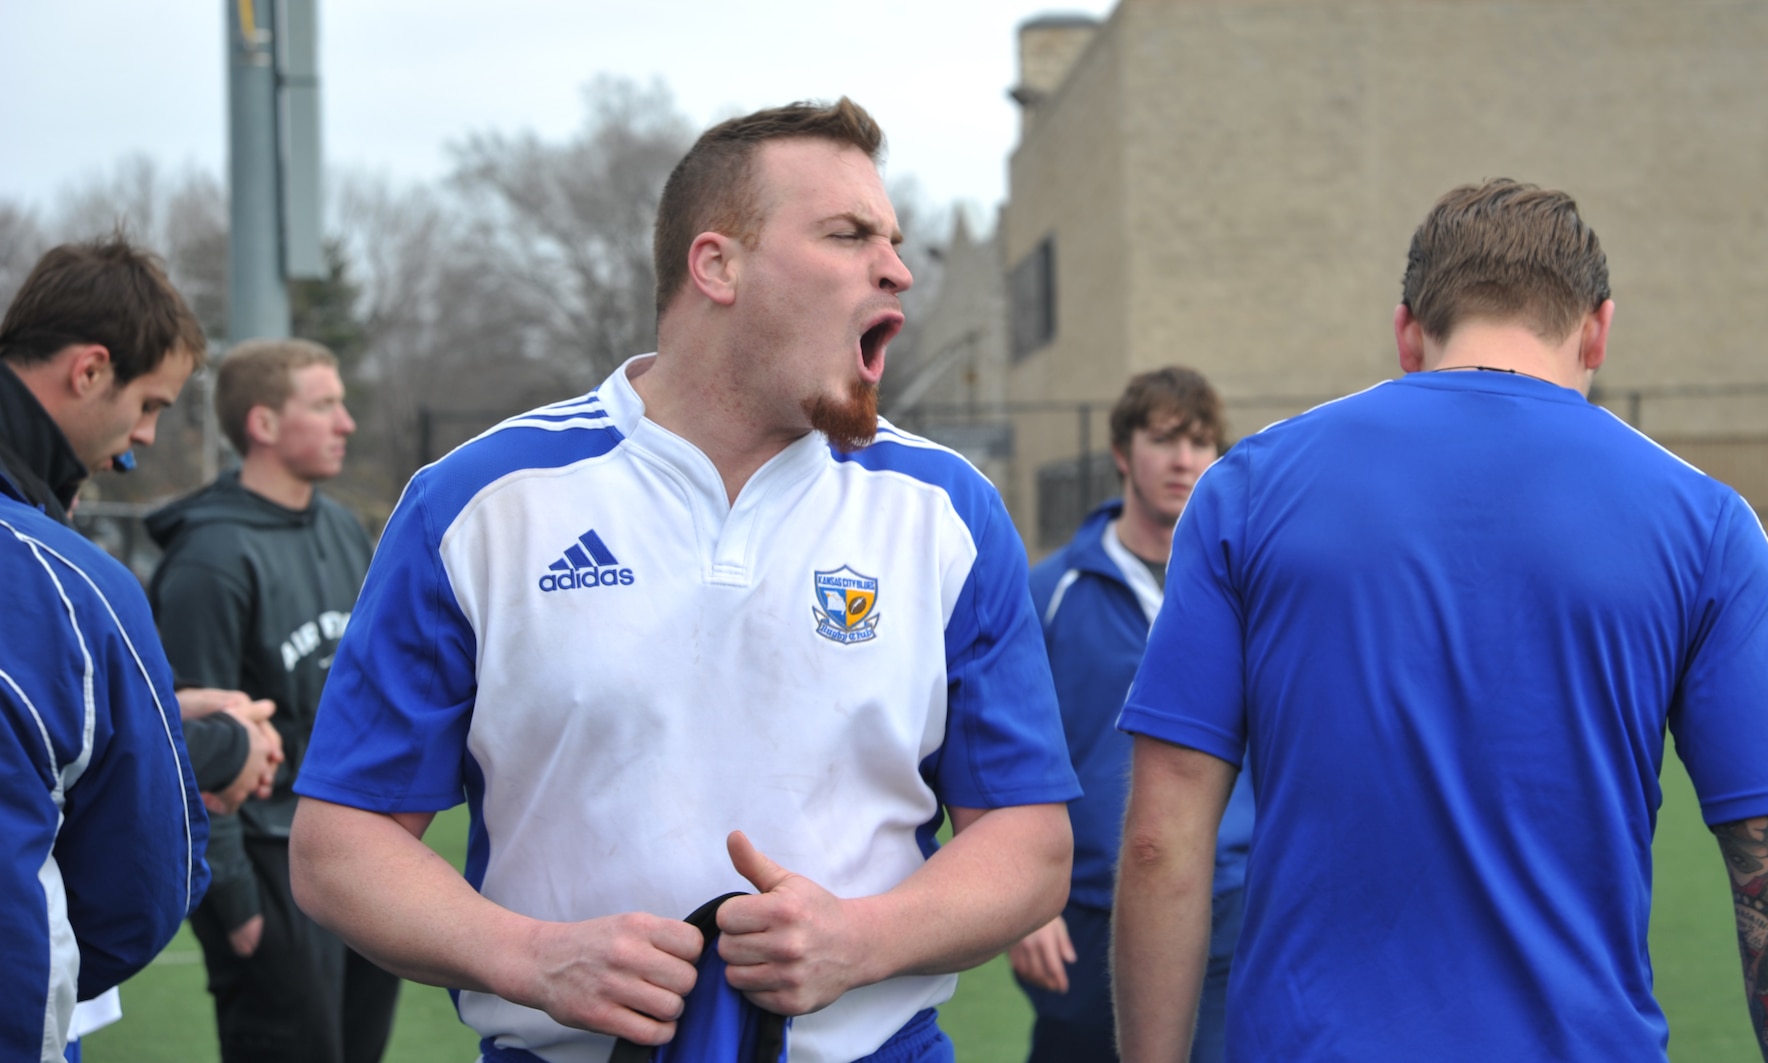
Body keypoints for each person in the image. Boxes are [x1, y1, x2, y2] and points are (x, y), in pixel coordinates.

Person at [290, 97, 1079, 1063]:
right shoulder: (480, 502)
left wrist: (859, 939)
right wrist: (533, 958)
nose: (897, 268)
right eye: (848, 234)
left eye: (895, 239)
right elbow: (341, 846)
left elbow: (1029, 845)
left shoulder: (947, 511)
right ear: (717, 265)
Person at [1111, 179, 1768, 1061]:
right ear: (1598, 330)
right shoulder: (1707, 523)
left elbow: (1162, 840)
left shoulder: (1246, 488)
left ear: (1406, 332)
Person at [145, 338, 396, 1062]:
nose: (346, 422)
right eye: (324, 405)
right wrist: (236, 902)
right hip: (268, 872)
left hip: (355, 859)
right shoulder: (209, 556)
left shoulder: (344, 528)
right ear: (261, 423)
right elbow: (186, 743)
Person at [0, 234, 213, 1062]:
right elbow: (148, 880)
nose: (145, 438)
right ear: (89, 371)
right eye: (152, 404)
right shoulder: (71, 581)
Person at [1009, 368, 1250, 1062]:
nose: (1183, 460)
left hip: (1229, 904)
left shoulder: (1251, 590)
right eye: (1165, 438)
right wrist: (1032, 902)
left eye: (1201, 442)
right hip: (1086, 911)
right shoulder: (1051, 591)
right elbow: (1008, 754)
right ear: (1122, 451)